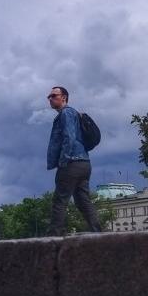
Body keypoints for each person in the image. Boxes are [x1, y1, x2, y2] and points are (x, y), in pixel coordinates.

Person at [46, 87, 101, 236]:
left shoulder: (66, 113)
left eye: (53, 95)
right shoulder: (73, 114)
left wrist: (63, 161)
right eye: (49, 96)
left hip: (72, 162)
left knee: (60, 200)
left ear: (64, 97)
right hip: (84, 163)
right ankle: (98, 233)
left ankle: (53, 238)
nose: (50, 98)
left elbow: (69, 138)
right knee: (83, 201)